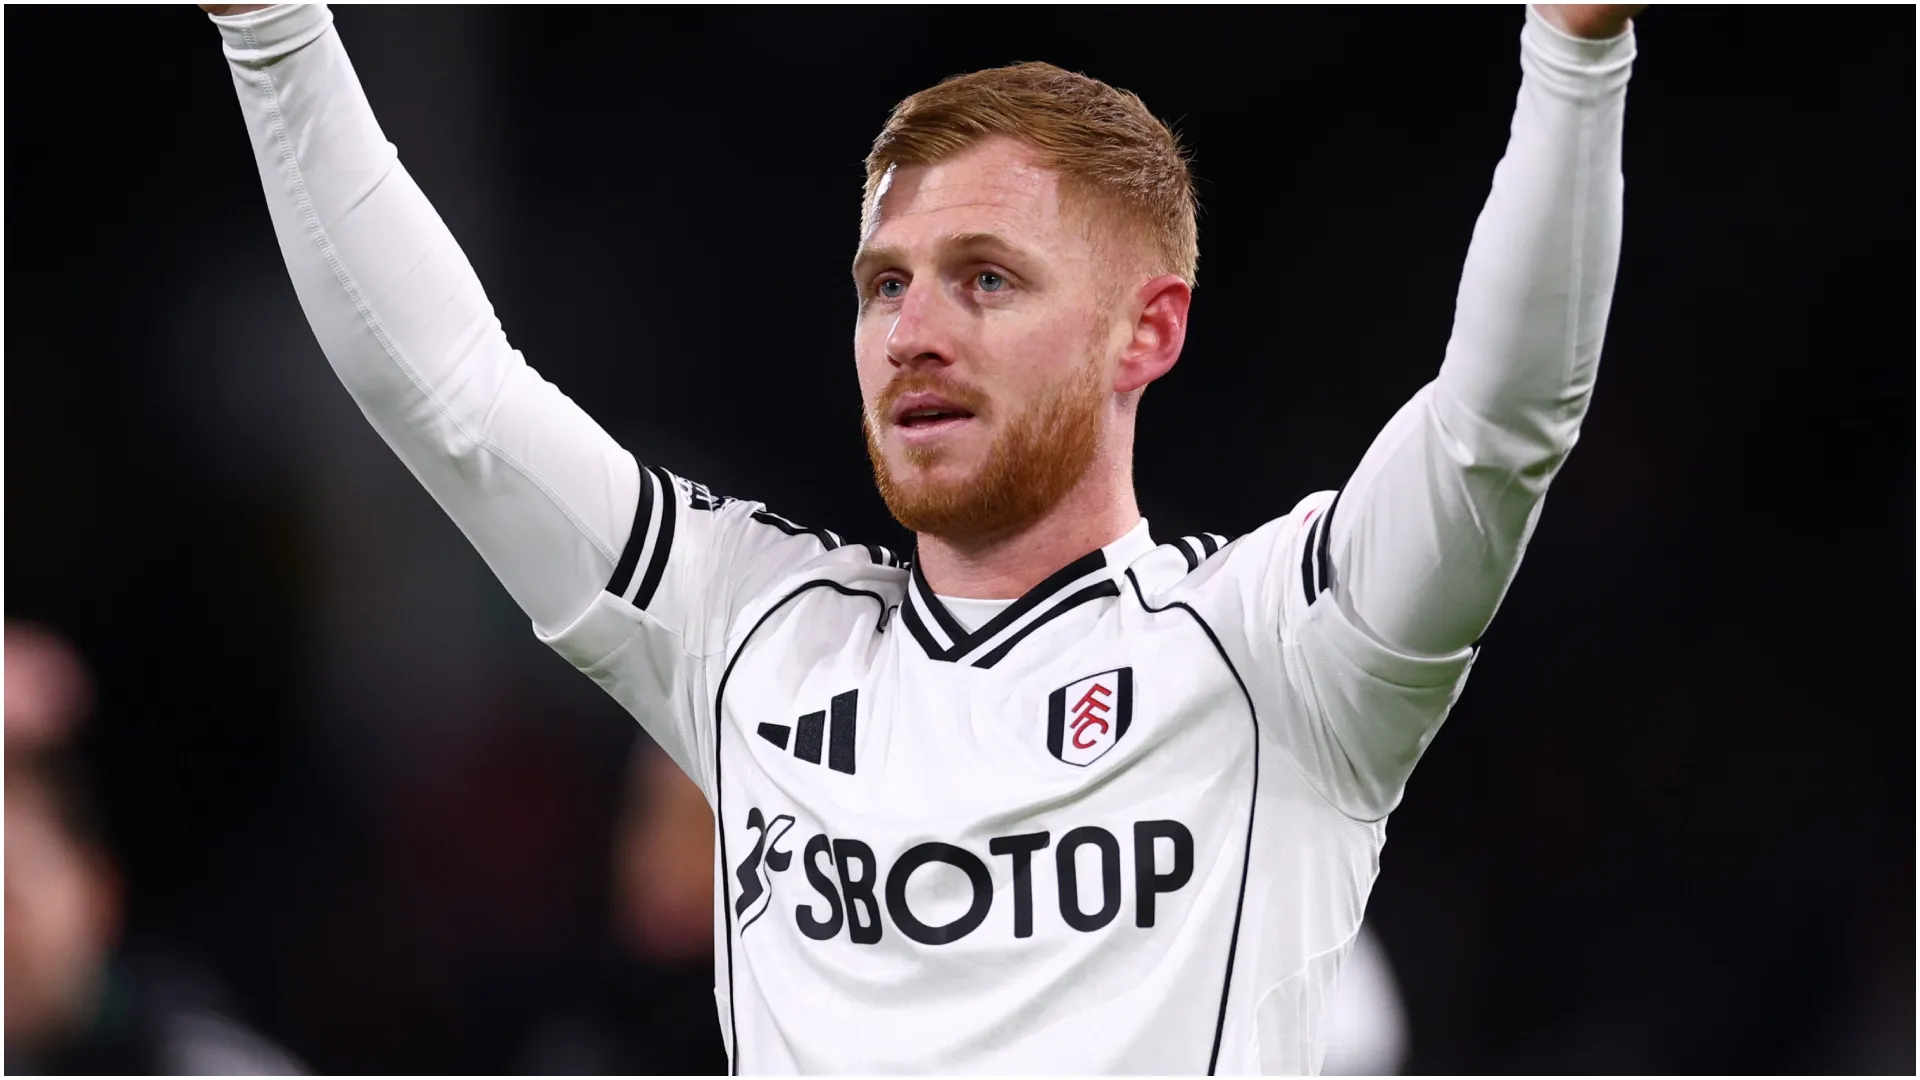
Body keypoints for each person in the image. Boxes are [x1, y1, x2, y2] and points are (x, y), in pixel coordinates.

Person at [200, 2, 1641, 1072]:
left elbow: (1497, 426)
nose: (913, 334)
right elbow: (454, 398)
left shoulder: (1277, 657)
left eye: (986, 279)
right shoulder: (749, 635)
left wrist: (1575, 58)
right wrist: (272, 30)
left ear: (1147, 331)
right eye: (884, 285)